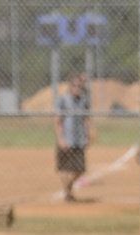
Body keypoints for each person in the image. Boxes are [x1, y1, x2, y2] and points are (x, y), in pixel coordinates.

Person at [53, 73, 91, 202]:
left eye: (80, 86)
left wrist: (88, 135)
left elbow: (86, 119)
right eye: (74, 85)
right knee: (64, 168)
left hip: (79, 139)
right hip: (66, 138)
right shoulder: (63, 100)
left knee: (80, 169)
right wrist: (60, 138)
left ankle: (67, 189)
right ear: (70, 86)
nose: (77, 88)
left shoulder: (84, 101)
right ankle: (68, 193)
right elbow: (58, 121)